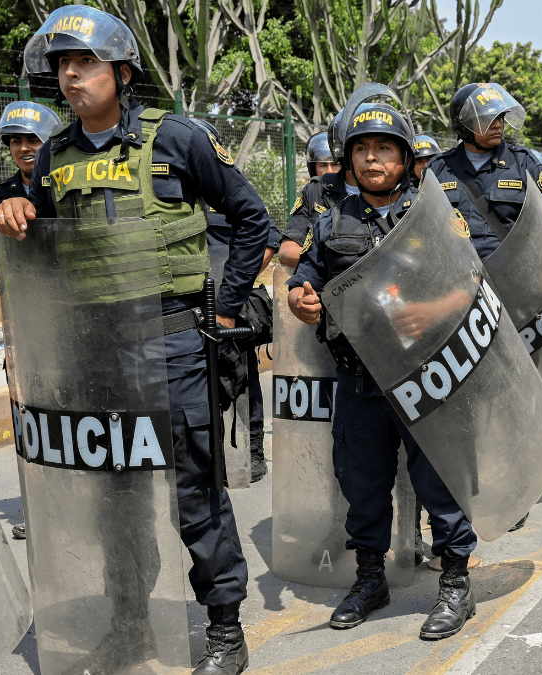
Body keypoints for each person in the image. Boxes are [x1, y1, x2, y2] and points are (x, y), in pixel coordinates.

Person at [0, 7, 271, 674]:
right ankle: (129, 621)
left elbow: (251, 217)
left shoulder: (178, 138)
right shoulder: (53, 157)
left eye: (82, 63)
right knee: (114, 500)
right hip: (97, 356)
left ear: (121, 71)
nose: (69, 76)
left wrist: (225, 310)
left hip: (172, 344)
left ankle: (225, 628)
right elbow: (46, 249)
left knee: (194, 493)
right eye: (61, 66)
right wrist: (17, 209)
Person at [285, 99, 479, 640]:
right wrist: (302, 298)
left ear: (404, 156)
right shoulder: (330, 222)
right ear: (348, 159)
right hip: (359, 376)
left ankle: (455, 581)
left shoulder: (433, 213)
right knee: (361, 483)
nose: (373, 159)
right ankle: (371, 578)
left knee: (437, 477)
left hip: (426, 373)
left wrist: (434, 311)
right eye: (362, 149)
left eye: (384, 149)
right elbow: (305, 277)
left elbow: (470, 283)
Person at [0, 100, 64, 540]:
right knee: (30, 416)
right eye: (14, 140)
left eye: (31, 139)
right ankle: (41, 505)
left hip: (73, 324)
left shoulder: (71, 186)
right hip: (24, 330)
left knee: (77, 415)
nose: (23, 147)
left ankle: (90, 501)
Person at [190, 117, 280, 484]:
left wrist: (234, 288)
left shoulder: (227, 186)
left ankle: (251, 452)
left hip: (228, 304)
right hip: (185, 305)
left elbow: (268, 236)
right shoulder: (167, 192)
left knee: (241, 378)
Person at [427, 82, 542, 263]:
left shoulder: (524, 163)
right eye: (487, 119)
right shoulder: (439, 167)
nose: (498, 125)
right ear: (464, 126)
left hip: (511, 277)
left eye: (500, 118)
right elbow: (425, 227)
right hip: (456, 276)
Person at [280, 127, 355, 267]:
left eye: (335, 164)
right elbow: (287, 251)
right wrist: (328, 264)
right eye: (322, 165)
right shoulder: (312, 192)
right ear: (313, 168)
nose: (329, 171)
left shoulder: (362, 192)